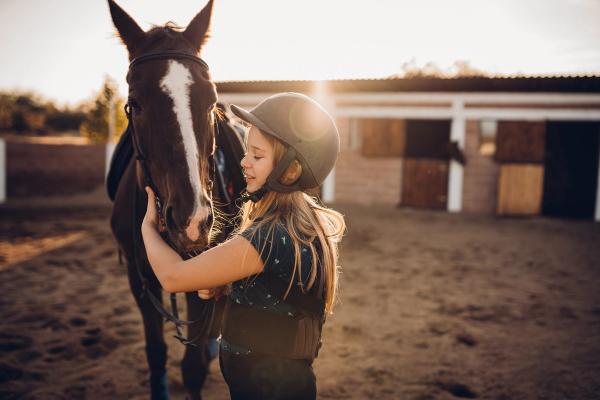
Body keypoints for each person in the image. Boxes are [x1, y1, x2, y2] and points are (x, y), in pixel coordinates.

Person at [141, 92, 346, 399]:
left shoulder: (269, 235)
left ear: (289, 171)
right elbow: (281, 294)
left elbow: (173, 278)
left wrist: (146, 227)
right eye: (247, 152)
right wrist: (236, 289)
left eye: (257, 156)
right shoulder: (299, 224)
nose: (243, 162)